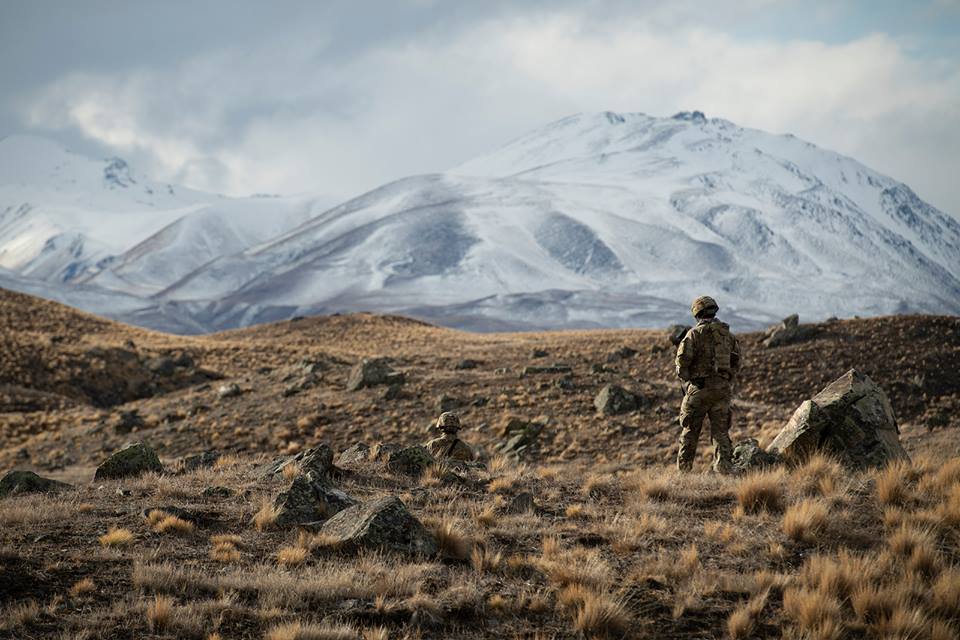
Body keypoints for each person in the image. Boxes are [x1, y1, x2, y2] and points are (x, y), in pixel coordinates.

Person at [675, 296, 742, 473]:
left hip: (699, 389)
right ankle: (725, 471)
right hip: (722, 390)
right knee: (721, 432)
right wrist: (725, 379)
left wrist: (691, 379)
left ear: (697, 314)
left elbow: (681, 366)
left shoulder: (693, 334)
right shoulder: (728, 335)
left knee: (690, 432)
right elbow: (737, 362)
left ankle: (684, 474)